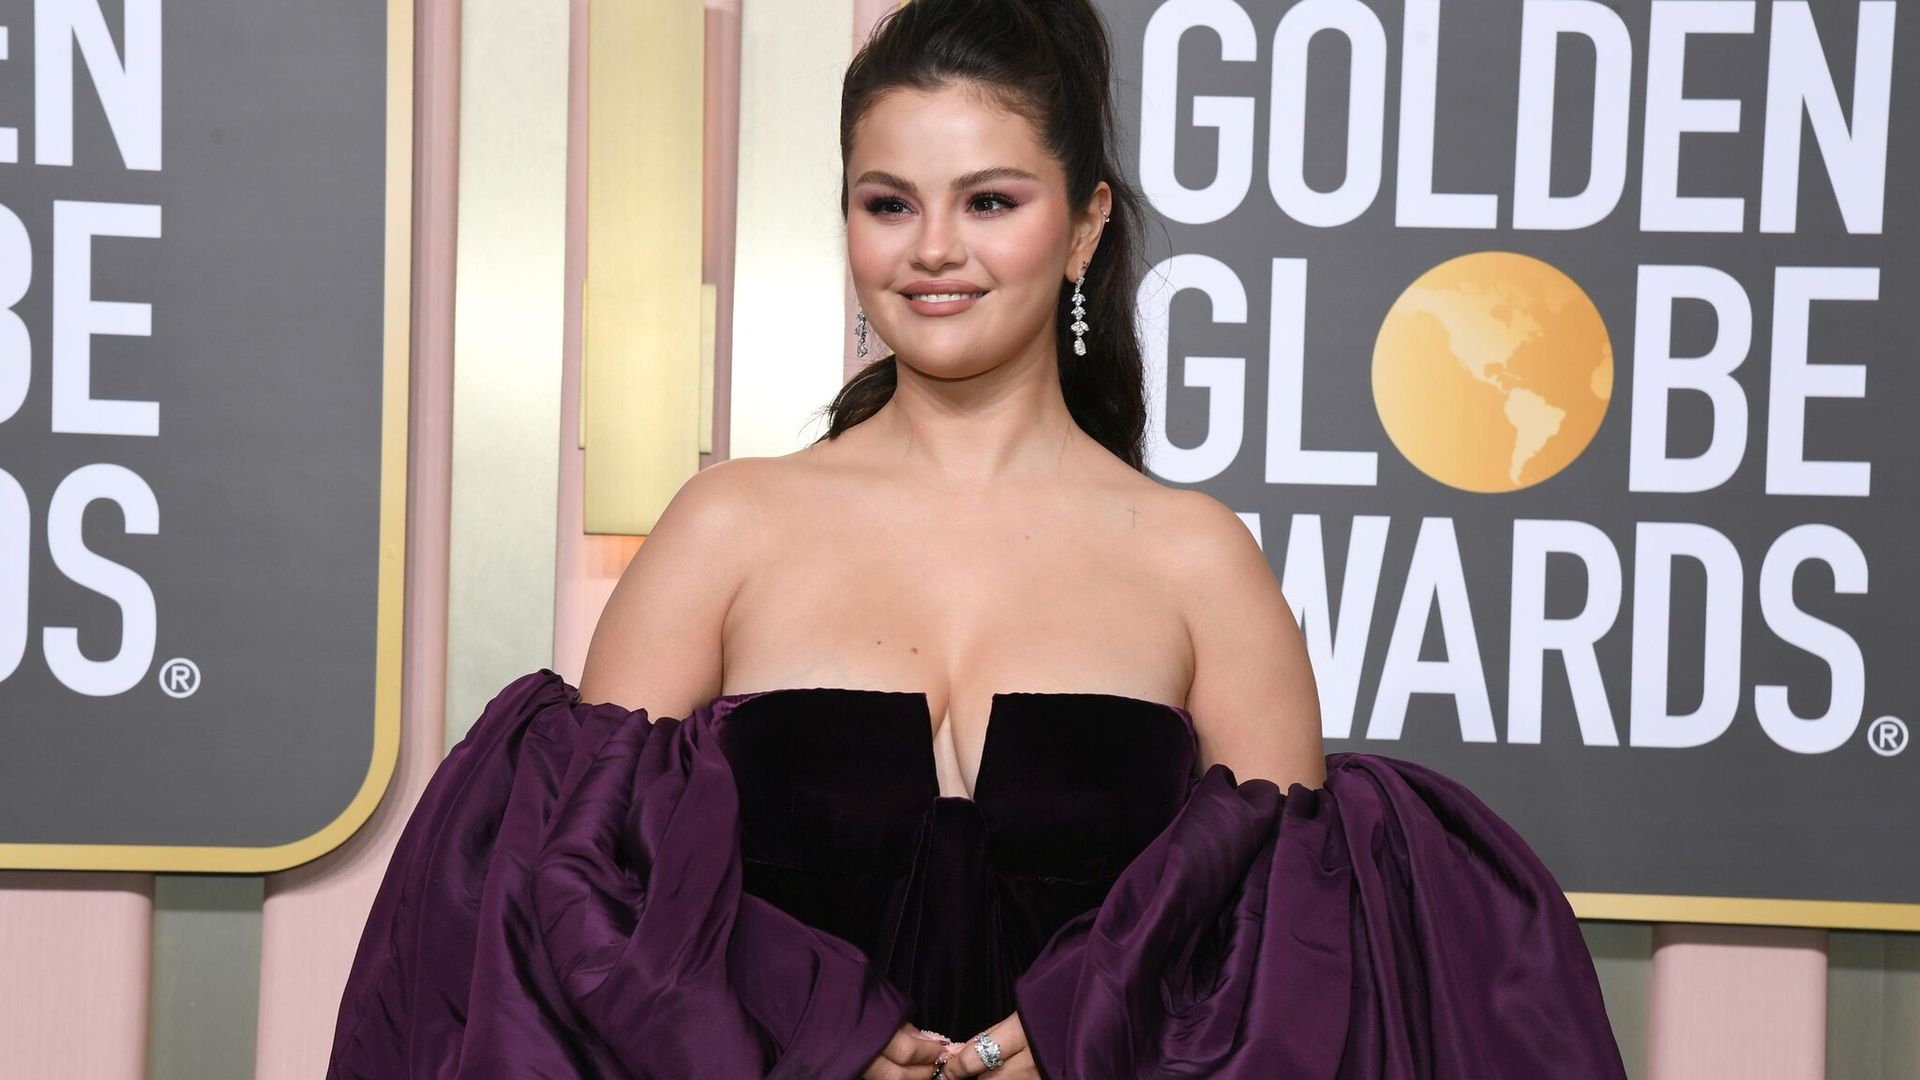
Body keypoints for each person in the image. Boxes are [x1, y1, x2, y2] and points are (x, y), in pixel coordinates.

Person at [328, 1, 1627, 1077]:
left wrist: (1076, 1035)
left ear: (1087, 227)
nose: (933, 250)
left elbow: (1283, 974)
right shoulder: (729, 526)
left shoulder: (1194, 559)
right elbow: (584, 909)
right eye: (888, 204)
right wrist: (820, 1033)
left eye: (990, 201)